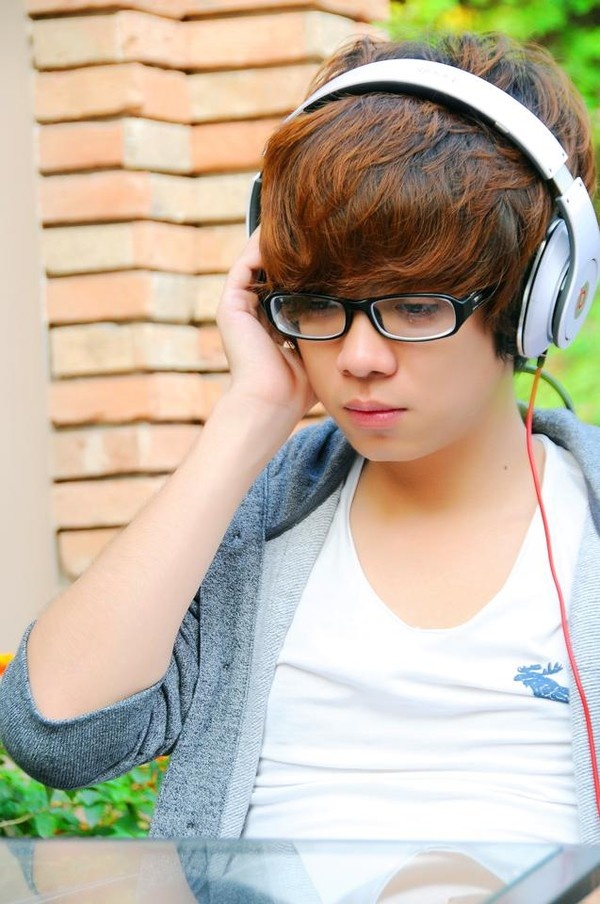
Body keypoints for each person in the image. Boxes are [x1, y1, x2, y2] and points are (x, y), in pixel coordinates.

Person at [1, 30, 599, 852]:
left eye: (415, 306)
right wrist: (251, 413)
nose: (358, 358)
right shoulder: (261, 519)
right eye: (318, 303)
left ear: (536, 299)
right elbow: (58, 735)